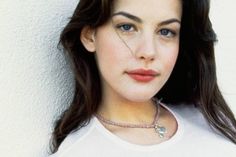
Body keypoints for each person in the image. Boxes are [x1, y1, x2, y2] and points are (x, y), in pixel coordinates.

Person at [49, 0, 236, 156]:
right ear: (90, 36)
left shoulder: (210, 119)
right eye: (127, 27)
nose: (148, 52)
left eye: (166, 31)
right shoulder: (79, 151)